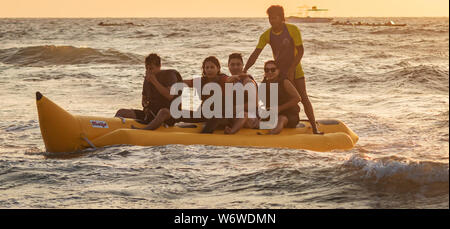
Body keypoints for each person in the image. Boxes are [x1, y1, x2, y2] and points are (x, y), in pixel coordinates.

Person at [243, 5, 322, 134]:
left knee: (303, 97)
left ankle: (314, 128)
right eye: (270, 18)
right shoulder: (266, 35)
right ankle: (270, 120)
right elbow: (256, 53)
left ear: (282, 18)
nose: (272, 21)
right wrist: (245, 69)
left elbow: (300, 51)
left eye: (274, 18)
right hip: (277, 72)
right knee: (267, 96)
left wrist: (291, 70)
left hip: (295, 70)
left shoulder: (292, 30)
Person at [115, 53, 182, 130]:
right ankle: (110, 128)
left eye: (151, 68)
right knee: (122, 112)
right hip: (151, 114)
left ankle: (144, 130)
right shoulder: (147, 80)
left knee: (163, 112)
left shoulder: (169, 75)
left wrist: (154, 81)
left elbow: (169, 96)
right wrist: (144, 103)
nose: (149, 71)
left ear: (159, 66)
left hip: (169, 115)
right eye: (147, 68)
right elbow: (144, 100)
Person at [182, 56, 230, 133]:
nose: (209, 70)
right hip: (204, 114)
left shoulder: (223, 79)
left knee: (215, 115)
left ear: (218, 68)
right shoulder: (202, 81)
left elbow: (231, 79)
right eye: (207, 68)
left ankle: (203, 136)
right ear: (204, 69)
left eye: (212, 67)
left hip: (222, 116)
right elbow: (183, 83)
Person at [261, 60, 301, 135]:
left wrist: (279, 108)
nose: (270, 72)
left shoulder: (284, 82)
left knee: (281, 118)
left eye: (273, 70)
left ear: (278, 71)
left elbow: (297, 98)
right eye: (267, 70)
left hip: (289, 114)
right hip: (273, 114)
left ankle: (271, 134)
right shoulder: (263, 85)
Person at [223, 53, 259, 134]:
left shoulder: (247, 81)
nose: (235, 67)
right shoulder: (229, 80)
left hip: (250, 116)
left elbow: (254, 104)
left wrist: (234, 109)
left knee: (243, 115)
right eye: (232, 64)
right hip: (235, 114)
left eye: (238, 64)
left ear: (242, 65)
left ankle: (232, 131)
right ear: (228, 66)